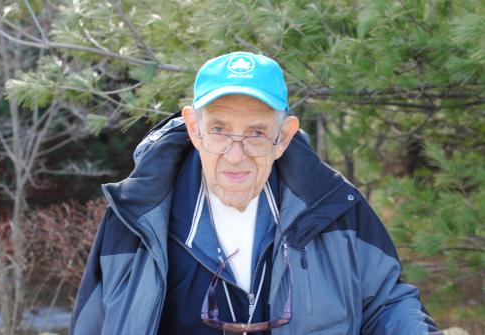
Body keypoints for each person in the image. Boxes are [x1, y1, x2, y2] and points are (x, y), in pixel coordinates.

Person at [70, 51, 440, 334]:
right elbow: (92, 322)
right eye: (219, 130)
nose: (235, 156)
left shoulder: (335, 209)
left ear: (284, 136)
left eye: (256, 133)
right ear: (194, 129)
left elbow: (387, 303)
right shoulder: (137, 217)